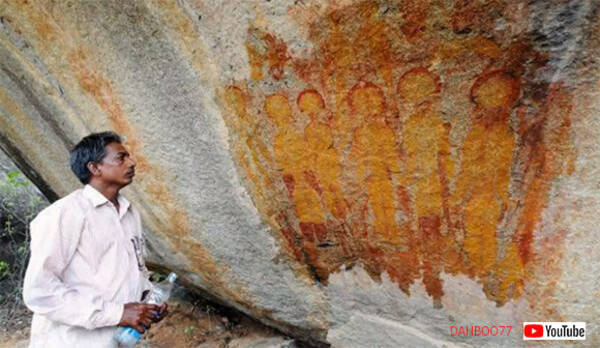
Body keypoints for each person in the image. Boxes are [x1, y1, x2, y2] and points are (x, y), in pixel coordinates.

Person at [22, 131, 168, 347]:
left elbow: (134, 268)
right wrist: (117, 313)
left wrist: (148, 300)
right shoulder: (65, 214)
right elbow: (39, 291)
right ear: (94, 168)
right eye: (121, 157)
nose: (132, 162)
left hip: (116, 340)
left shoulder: (130, 212)